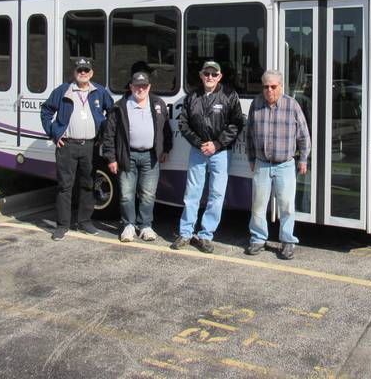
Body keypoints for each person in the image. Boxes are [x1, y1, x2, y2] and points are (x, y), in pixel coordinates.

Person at [171, 61, 243, 253]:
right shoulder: (192, 96)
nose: (210, 77)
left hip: (220, 153)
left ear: (220, 76)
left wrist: (217, 144)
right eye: (206, 73)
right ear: (201, 75)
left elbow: (236, 124)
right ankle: (185, 233)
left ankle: (205, 235)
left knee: (216, 195)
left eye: (214, 74)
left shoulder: (229, 95)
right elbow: (183, 124)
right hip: (198, 151)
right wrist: (199, 143)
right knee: (191, 193)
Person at [40, 57, 114, 241]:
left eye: (86, 70)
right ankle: (63, 225)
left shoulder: (99, 91)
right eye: (80, 70)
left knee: (88, 185)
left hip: (90, 146)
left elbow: (111, 110)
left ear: (91, 73)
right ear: (74, 72)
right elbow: (46, 111)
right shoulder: (63, 90)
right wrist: (54, 133)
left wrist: (104, 131)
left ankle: (84, 221)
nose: (83, 73)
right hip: (67, 146)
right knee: (65, 187)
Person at [245, 69, 311, 260]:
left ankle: (288, 241)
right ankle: (257, 239)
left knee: (287, 206)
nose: (269, 90)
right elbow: (249, 135)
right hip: (262, 164)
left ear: (281, 86)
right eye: (266, 87)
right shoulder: (255, 104)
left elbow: (304, 136)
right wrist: (251, 158)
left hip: (285, 165)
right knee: (258, 205)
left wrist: (303, 159)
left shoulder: (292, 105)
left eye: (273, 86)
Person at [101, 71, 172, 242]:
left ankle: (146, 226)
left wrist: (166, 149)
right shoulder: (120, 106)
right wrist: (111, 158)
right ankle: (128, 225)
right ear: (131, 87)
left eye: (144, 86)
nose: (141, 89)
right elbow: (109, 135)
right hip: (127, 156)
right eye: (137, 86)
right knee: (126, 194)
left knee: (148, 194)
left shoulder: (158, 104)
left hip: (151, 156)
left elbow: (166, 130)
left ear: (149, 87)